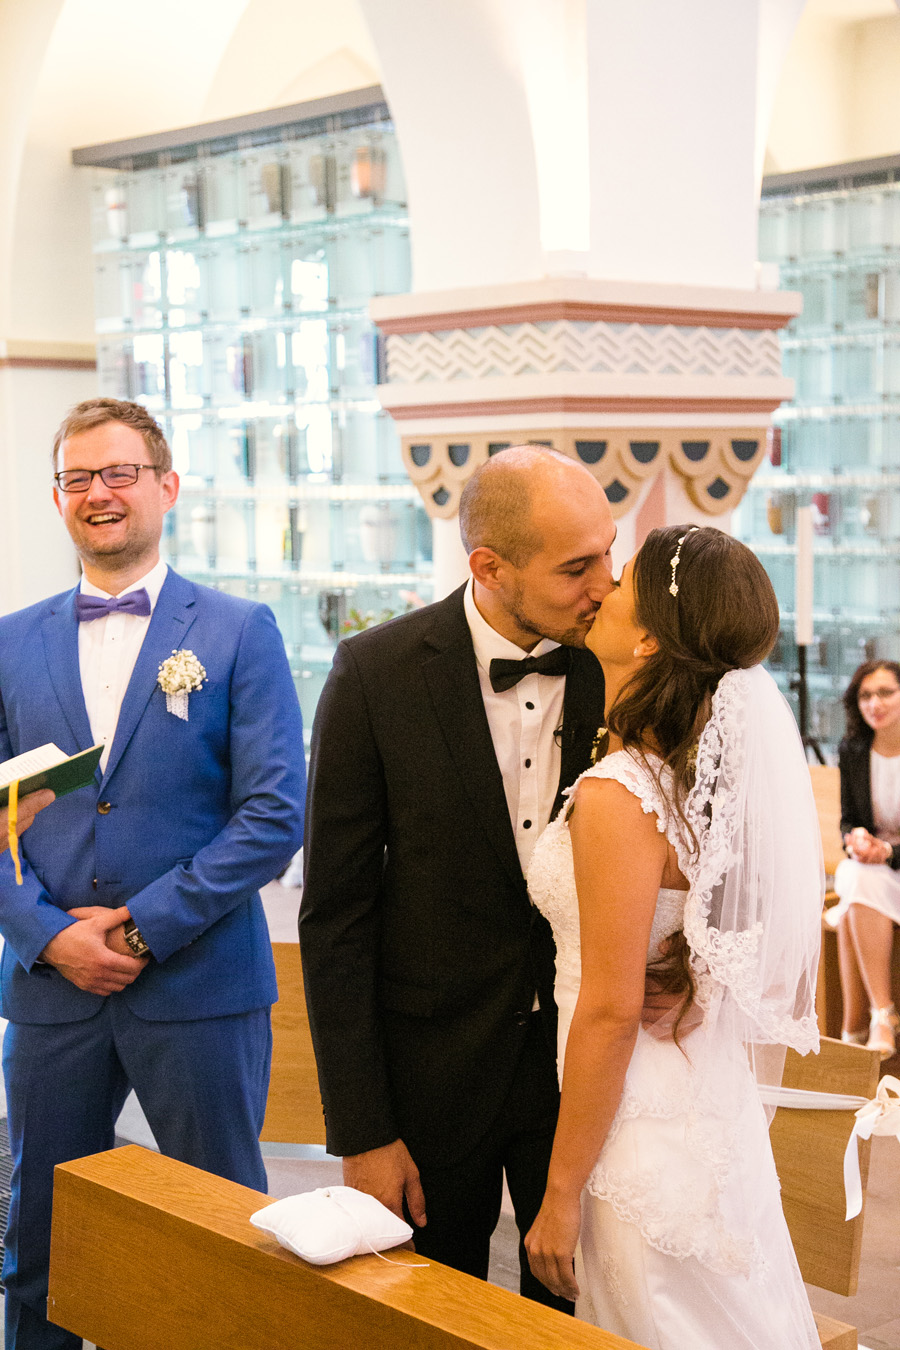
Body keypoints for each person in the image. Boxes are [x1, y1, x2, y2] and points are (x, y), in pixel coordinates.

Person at [0, 398, 305, 1350]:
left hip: (201, 989)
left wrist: (141, 929)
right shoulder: (9, 641)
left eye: (120, 472)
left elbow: (273, 816)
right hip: (51, 990)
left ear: (167, 487)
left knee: (222, 1238)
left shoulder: (239, 631)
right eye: (77, 477)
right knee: (40, 1243)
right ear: (58, 498)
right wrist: (46, 934)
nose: (99, 492)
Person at [300, 446, 615, 1307]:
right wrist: (363, 1131)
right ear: (490, 567)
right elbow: (335, 918)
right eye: (577, 567)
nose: (605, 585)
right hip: (430, 1079)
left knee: (579, 1317)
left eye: (609, 553)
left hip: (583, 1076)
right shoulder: (375, 675)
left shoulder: (621, 668)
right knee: (430, 1314)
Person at [525, 524, 822, 1350]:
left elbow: (612, 1010)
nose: (603, 587)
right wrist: (695, 977)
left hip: (638, 1124)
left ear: (651, 636)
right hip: (697, 1103)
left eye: (622, 581)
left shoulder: (621, 794)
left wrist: (559, 1192)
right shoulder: (693, 780)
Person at [827, 660, 900, 1059]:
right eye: (866, 695)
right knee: (856, 875)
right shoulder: (853, 750)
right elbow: (848, 819)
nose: (875, 703)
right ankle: (881, 1016)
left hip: (891, 866)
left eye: (886, 692)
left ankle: (853, 1029)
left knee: (854, 893)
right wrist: (854, 838)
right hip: (873, 871)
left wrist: (888, 851)